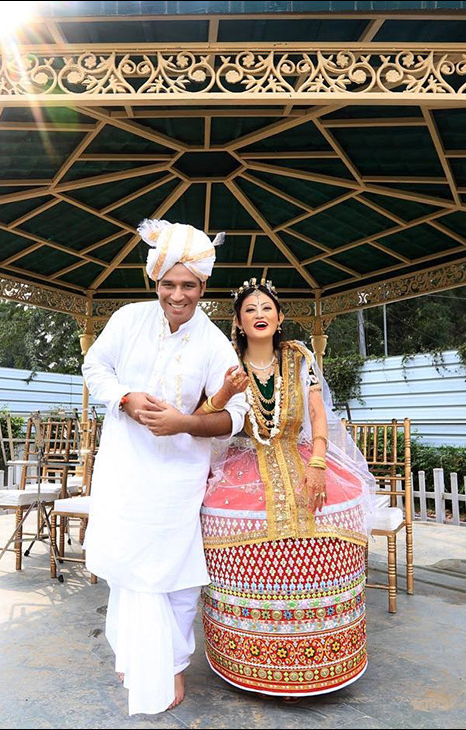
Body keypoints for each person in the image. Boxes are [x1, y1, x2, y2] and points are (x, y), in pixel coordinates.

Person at [81, 219, 248, 716]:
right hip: (125, 467)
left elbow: (234, 416)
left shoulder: (215, 341)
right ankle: (133, 653)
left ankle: (172, 664)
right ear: (156, 282)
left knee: (177, 573)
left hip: (178, 477)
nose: (179, 295)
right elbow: (95, 367)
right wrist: (125, 398)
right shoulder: (128, 319)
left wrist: (183, 423)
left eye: (189, 285)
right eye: (169, 284)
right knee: (127, 564)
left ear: (203, 287)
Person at [200, 277, 375, 698]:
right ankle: (248, 658)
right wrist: (226, 390)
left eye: (266, 308)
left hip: (303, 457)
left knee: (331, 511)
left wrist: (317, 464)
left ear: (279, 317)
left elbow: (318, 415)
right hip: (241, 464)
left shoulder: (298, 356)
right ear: (239, 322)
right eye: (249, 309)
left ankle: (322, 661)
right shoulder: (224, 361)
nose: (259, 314)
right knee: (229, 520)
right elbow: (204, 415)